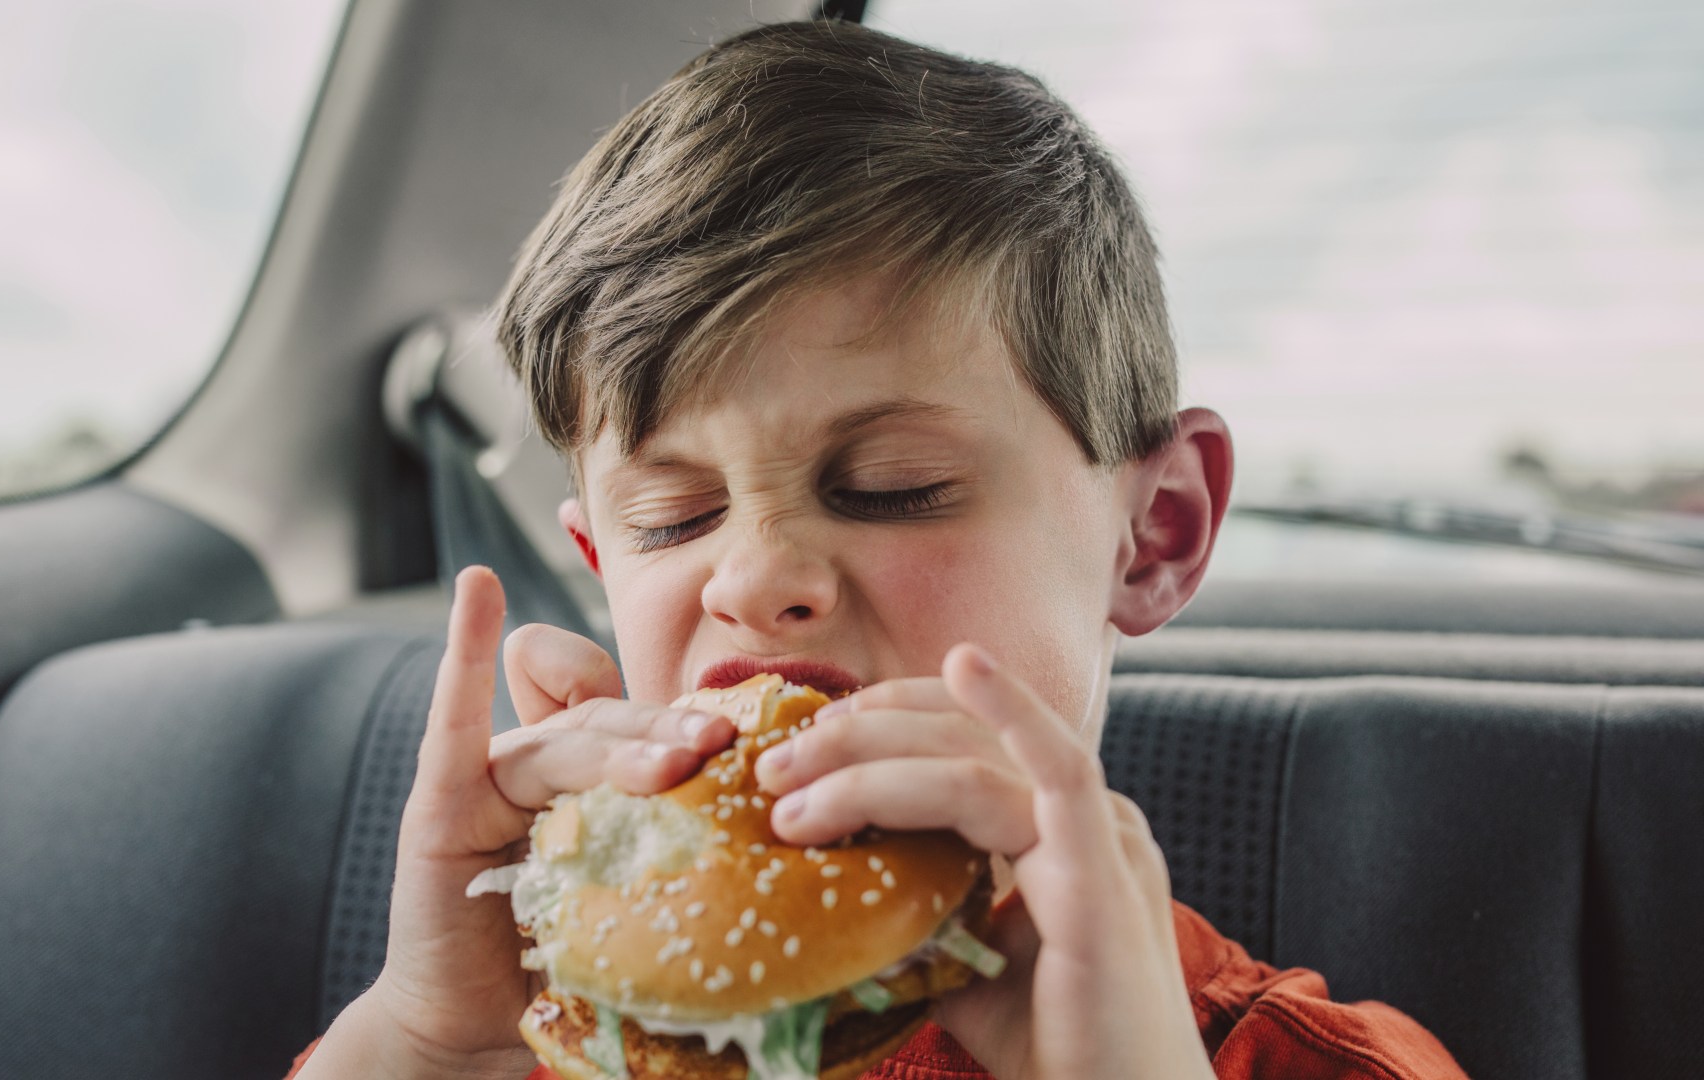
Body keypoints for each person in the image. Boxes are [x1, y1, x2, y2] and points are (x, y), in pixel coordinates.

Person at [289, 19, 1467, 1080]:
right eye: (673, 521)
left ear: (1156, 532)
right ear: (602, 568)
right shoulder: (529, 1041)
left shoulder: (1306, 1064)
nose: (752, 579)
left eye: (893, 490)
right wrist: (421, 1048)